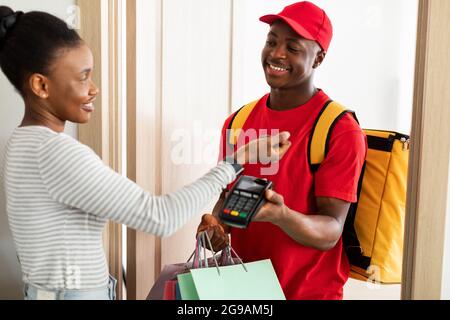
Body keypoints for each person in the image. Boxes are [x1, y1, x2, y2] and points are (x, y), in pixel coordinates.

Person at [0, 7, 291, 300]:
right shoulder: (56, 153)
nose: (94, 89)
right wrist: (235, 162)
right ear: (41, 85)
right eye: (83, 77)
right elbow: (161, 216)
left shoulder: (21, 143)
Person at [197, 1, 367, 300]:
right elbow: (227, 205)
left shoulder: (339, 129)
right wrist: (215, 231)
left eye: (293, 47)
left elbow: (331, 231)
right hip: (244, 294)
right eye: (271, 41)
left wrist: (281, 216)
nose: (276, 53)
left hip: (310, 294)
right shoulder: (237, 123)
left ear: (318, 59)